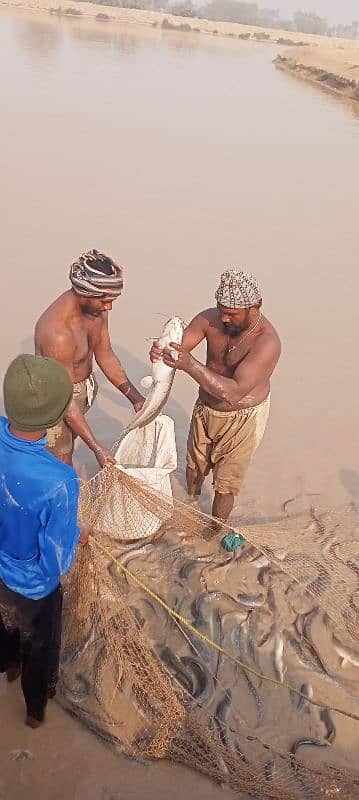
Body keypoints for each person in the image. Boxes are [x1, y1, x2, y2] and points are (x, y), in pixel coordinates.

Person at [151, 269, 281, 524]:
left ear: (255, 307)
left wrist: (190, 365)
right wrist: (161, 351)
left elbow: (233, 392)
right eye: (221, 309)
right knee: (193, 464)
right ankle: (191, 502)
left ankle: (216, 528)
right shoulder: (209, 319)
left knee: (225, 484)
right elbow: (179, 348)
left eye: (232, 313)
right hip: (206, 407)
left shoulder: (267, 343)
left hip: (243, 417)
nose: (224, 317)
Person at [0, 354, 87, 728]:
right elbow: (55, 561)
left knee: (5, 632)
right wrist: (77, 534)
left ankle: (9, 669)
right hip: (36, 591)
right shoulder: (59, 480)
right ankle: (35, 712)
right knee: (40, 649)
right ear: (55, 421)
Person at [35, 249, 145, 467]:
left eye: (112, 300)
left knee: (72, 441)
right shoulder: (57, 332)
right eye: (105, 301)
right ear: (85, 294)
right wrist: (97, 448)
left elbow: (105, 353)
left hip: (81, 389)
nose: (109, 307)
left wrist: (135, 397)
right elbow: (64, 398)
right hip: (57, 399)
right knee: (62, 460)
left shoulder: (96, 308)